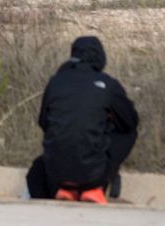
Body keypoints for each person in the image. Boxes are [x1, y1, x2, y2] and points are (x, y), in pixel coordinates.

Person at [26, 36, 139, 205]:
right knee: (129, 132)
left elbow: (44, 123)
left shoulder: (55, 82)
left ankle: (65, 190)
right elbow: (131, 121)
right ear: (101, 57)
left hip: (55, 174)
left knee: (40, 166)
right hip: (94, 174)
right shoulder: (108, 84)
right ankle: (96, 188)